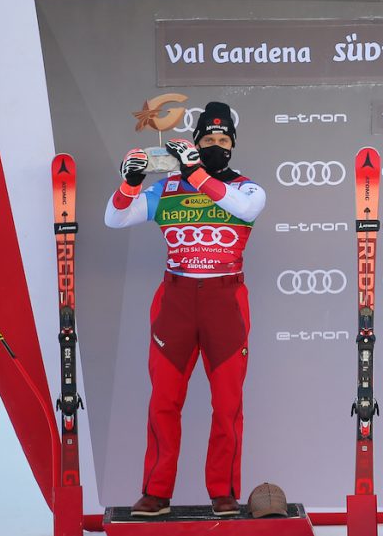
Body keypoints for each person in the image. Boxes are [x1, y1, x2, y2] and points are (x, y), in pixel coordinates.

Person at [105, 102, 266, 517]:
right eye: (207, 139)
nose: (215, 145)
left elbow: (245, 211)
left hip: (224, 302)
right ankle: (156, 494)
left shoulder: (247, 189)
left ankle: (224, 493)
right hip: (175, 301)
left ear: (232, 146)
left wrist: (197, 172)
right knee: (163, 401)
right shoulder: (167, 189)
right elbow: (114, 219)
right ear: (193, 143)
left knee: (227, 405)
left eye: (223, 140)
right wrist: (131, 183)